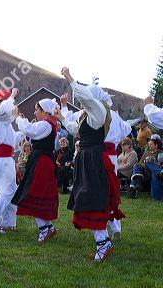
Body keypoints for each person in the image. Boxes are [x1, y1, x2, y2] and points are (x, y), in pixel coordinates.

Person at [55, 67, 124, 262]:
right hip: (87, 158)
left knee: (91, 198)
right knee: (86, 197)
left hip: (93, 159)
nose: (82, 102)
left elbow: (86, 98)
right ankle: (103, 242)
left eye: (85, 99)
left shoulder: (99, 111)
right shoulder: (88, 115)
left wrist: (70, 78)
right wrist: (60, 116)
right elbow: (76, 130)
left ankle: (103, 243)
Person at [11, 98, 59, 242]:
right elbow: (31, 135)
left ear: (45, 111)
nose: (35, 112)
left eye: (37, 110)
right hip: (42, 160)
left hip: (41, 162)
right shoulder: (47, 124)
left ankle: (44, 229)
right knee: (40, 193)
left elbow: (29, 131)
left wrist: (18, 118)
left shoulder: (45, 124)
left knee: (34, 192)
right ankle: (48, 227)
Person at [0, 88, 24, 233]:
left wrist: (26, 128)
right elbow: (5, 108)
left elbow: (13, 138)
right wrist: (12, 96)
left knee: (11, 190)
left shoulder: (5, 122)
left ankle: (8, 221)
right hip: (2, 158)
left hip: (5, 157)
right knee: (8, 191)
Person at [128, 135, 163, 200]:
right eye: (149, 144)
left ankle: (132, 187)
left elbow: (160, 165)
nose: (149, 145)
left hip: (152, 173)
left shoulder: (160, 154)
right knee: (136, 166)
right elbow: (140, 164)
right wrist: (145, 163)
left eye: (151, 144)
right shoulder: (146, 153)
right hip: (145, 173)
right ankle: (137, 183)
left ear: (156, 145)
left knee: (148, 162)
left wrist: (151, 162)